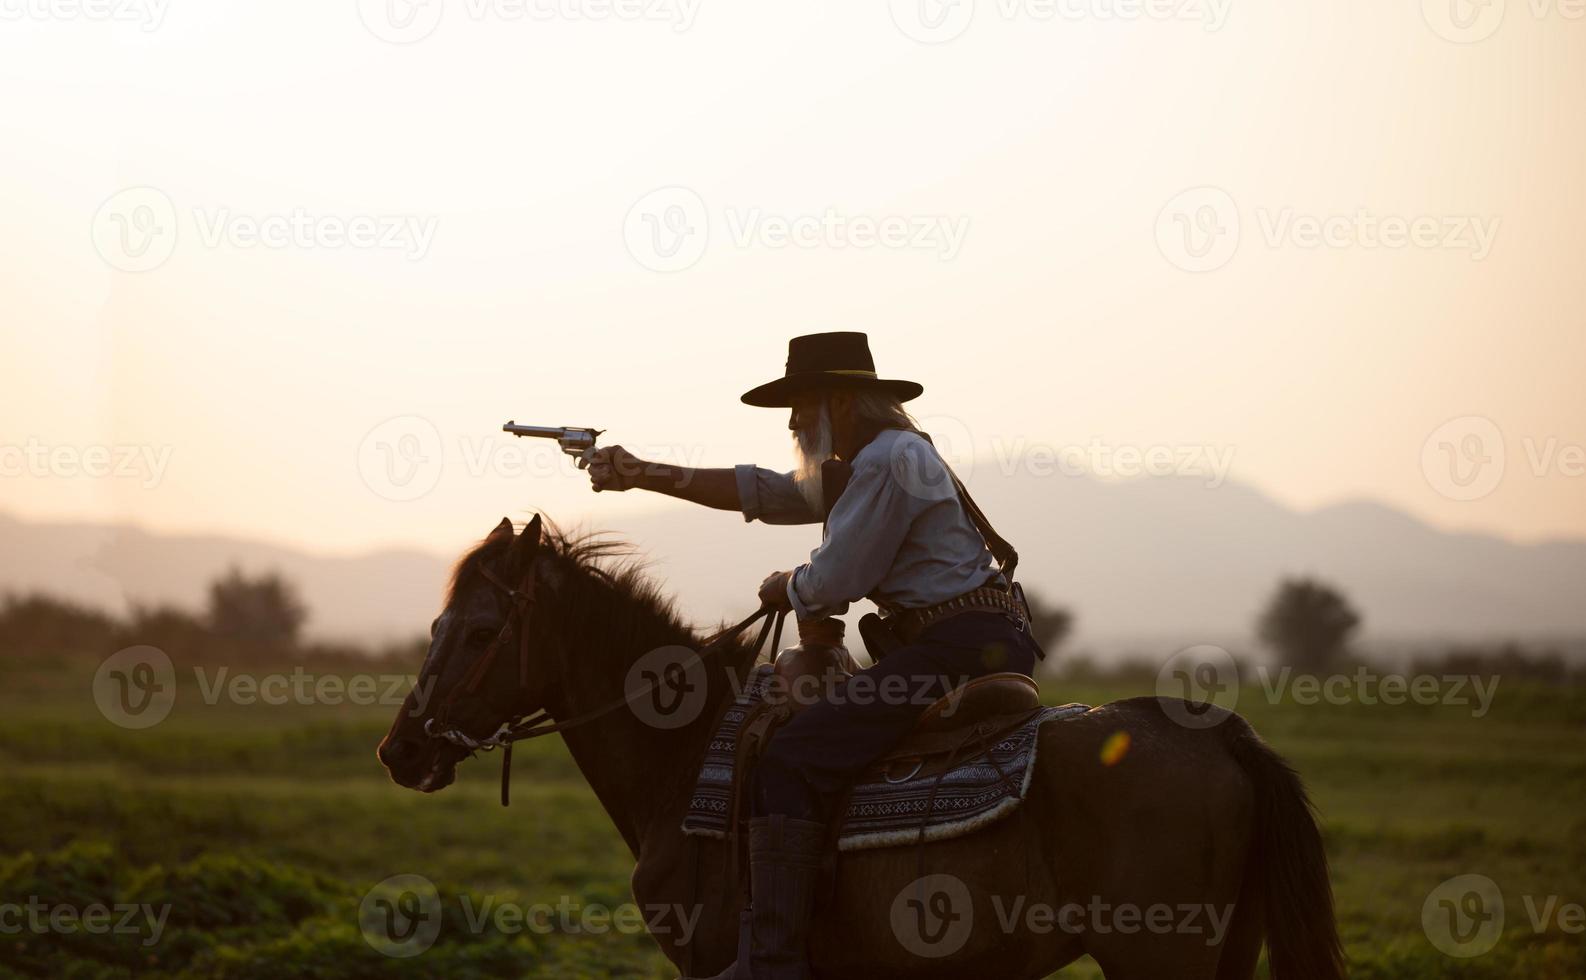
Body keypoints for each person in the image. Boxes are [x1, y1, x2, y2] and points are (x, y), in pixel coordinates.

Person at [587, 331, 1042, 980]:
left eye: (802, 406)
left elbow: (836, 579)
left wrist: (787, 587)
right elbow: (769, 493)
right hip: (965, 639)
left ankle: (771, 962)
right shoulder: (871, 460)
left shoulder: (887, 461)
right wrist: (645, 474)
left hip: (957, 648)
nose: (795, 422)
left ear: (842, 402)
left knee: (791, 757)